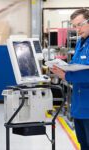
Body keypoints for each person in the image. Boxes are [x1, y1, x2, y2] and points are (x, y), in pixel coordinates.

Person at [51, 8, 89, 150]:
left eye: (80, 24)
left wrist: (66, 75)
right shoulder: (80, 42)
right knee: (83, 143)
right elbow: (75, 65)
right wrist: (62, 68)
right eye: (74, 26)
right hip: (79, 106)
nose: (77, 29)